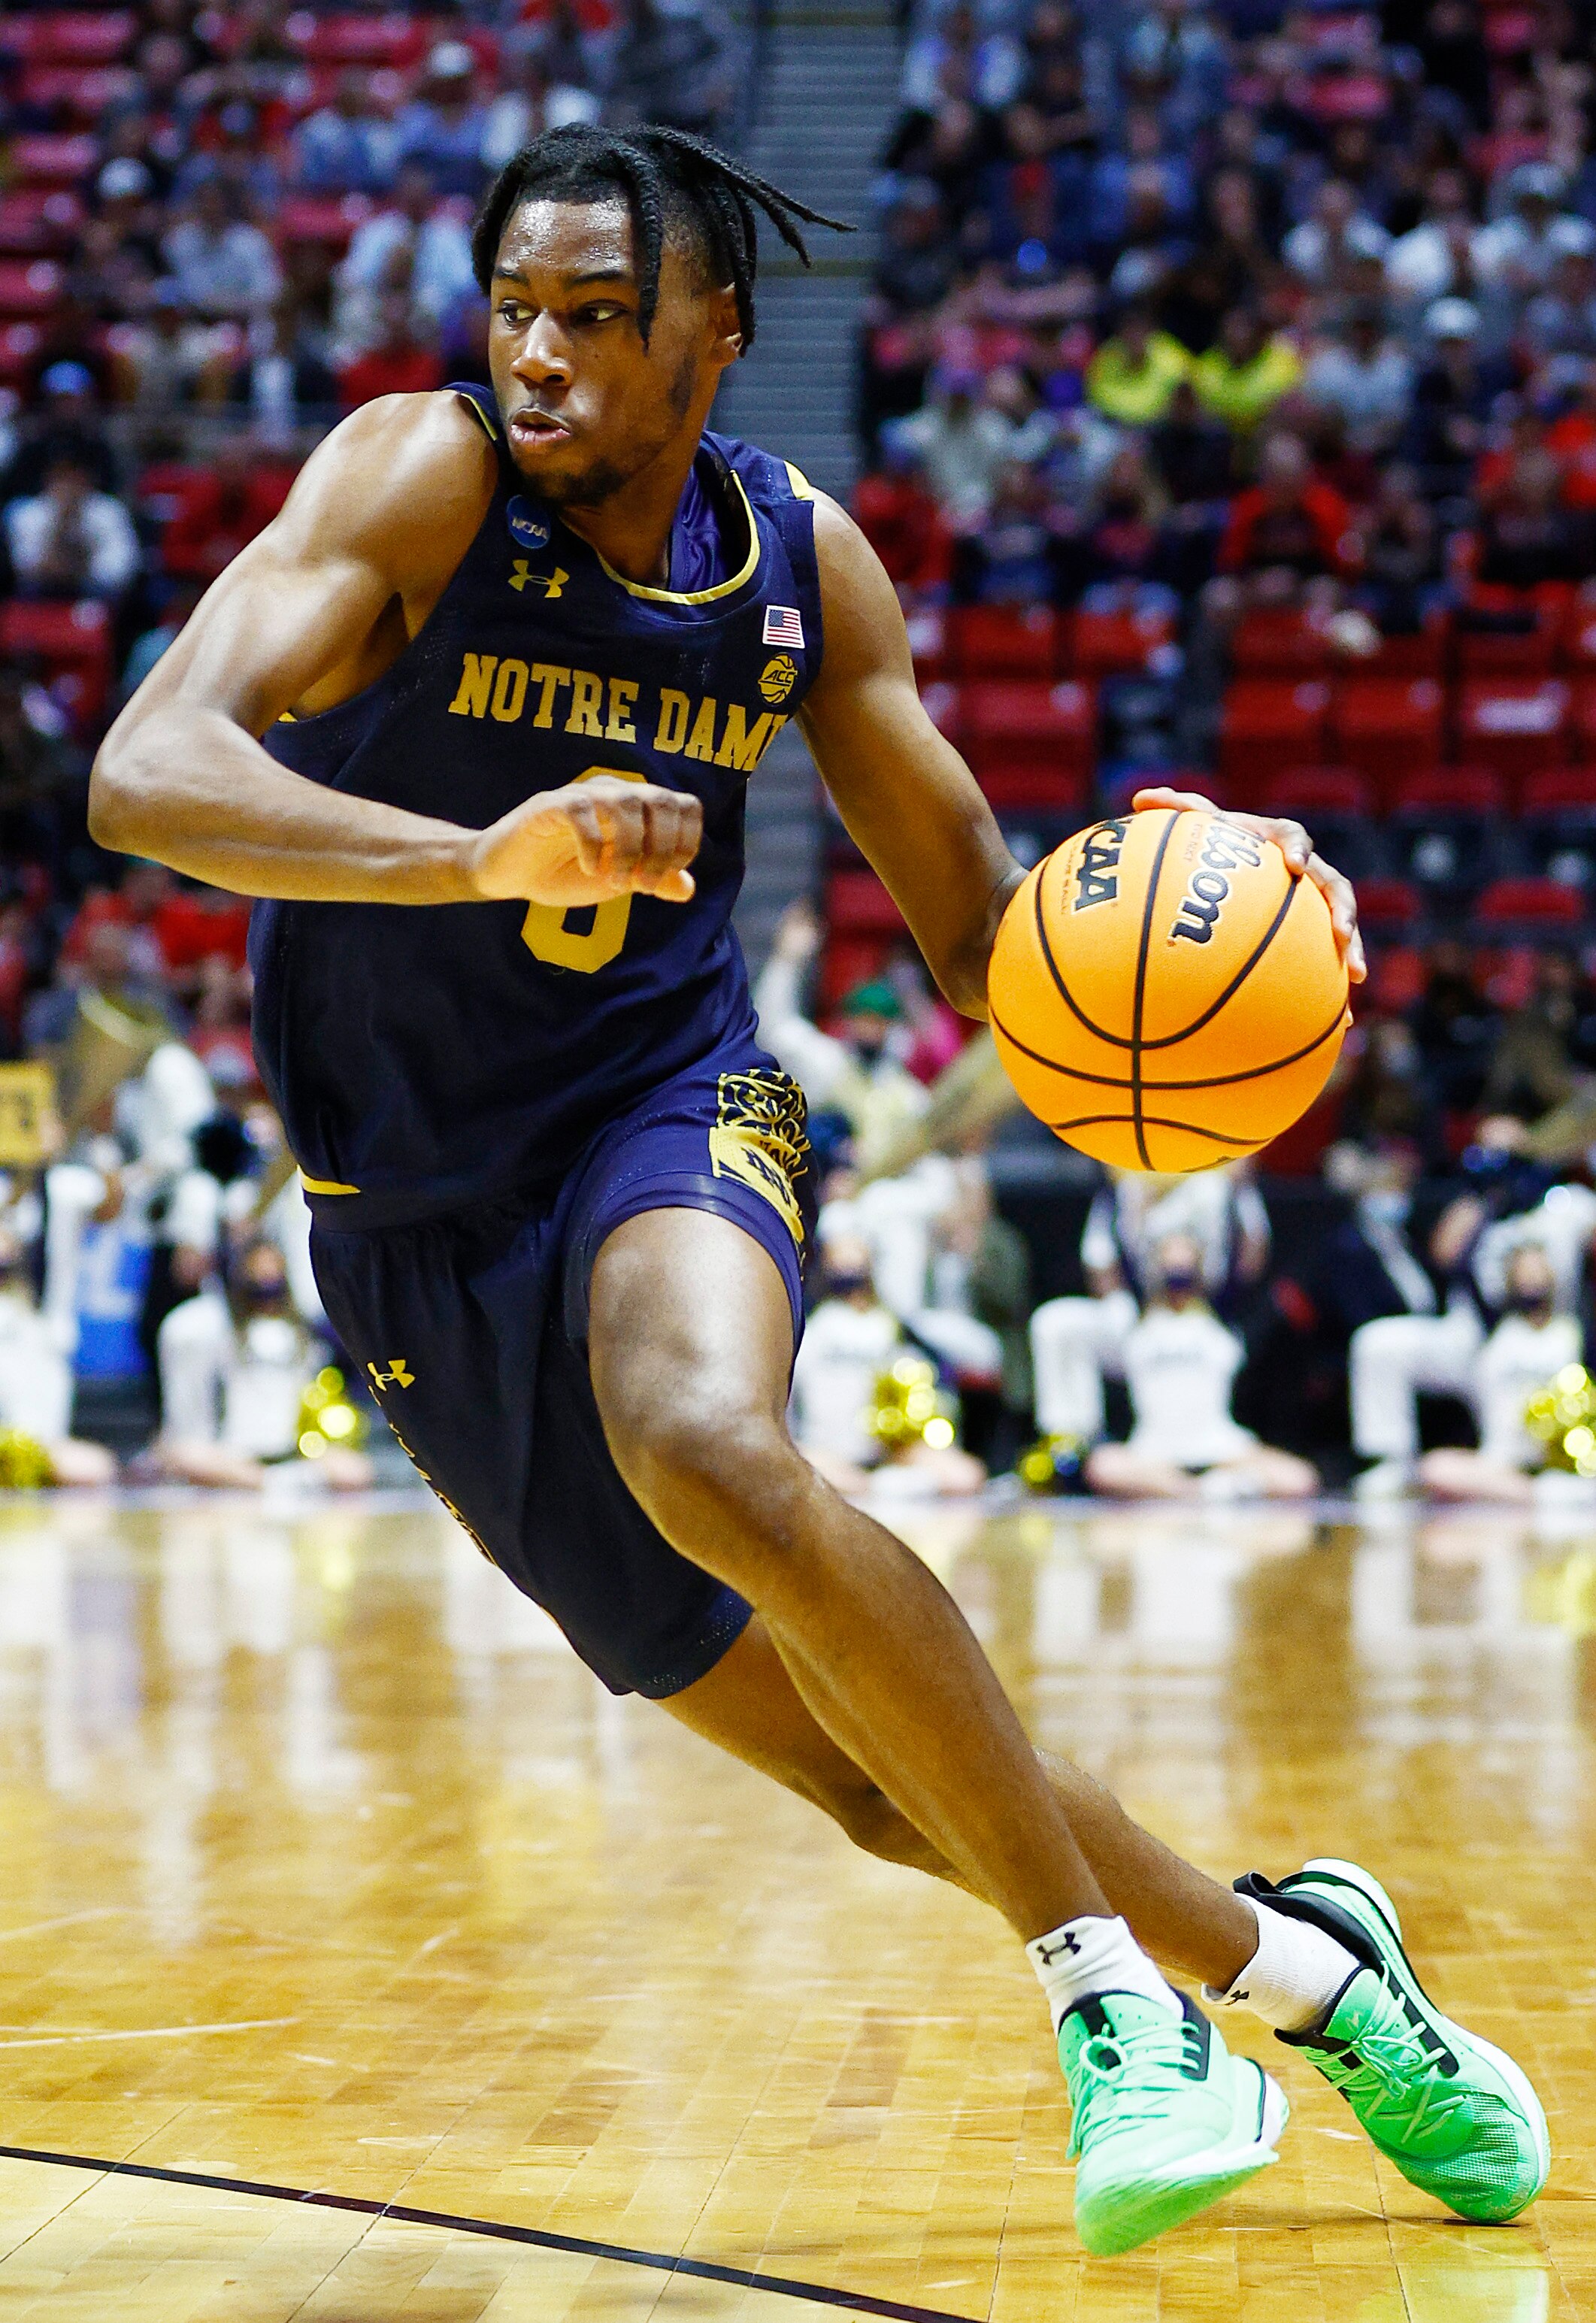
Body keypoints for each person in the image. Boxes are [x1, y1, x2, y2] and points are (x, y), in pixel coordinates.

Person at [89, 121, 1543, 2260]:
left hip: (666, 1101)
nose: (544, 362)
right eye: (516, 313)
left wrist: (1217, 897)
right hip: (402, 1222)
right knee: (879, 1788)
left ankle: (1109, 2015)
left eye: (598, 318)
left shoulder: (798, 571)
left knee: (703, 1433)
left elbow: (985, 948)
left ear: (713, 339)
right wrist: (466, 855)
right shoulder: (420, 478)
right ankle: (1305, 1971)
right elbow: (151, 767)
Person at [1084, 1234, 1319, 1502]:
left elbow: (1248, 1263)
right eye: (1170, 1270)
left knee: (1299, 1478)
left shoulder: (1222, 1326)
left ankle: (1207, 1487)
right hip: (1153, 1453)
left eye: (1185, 1269)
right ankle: (1198, 1491)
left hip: (1221, 1450)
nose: (1177, 1277)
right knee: (1102, 1467)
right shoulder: (1133, 1324)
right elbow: (1108, 1272)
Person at [1416, 1243, 1583, 1505]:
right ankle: (1532, 1495)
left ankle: (1546, 1493)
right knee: (1435, 1468)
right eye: (1524, 1269)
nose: (1532, 1276)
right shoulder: (1495, 1326)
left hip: (1557, 1462)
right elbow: (1461, 1268)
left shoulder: (1573, 1330)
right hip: (1500, 1462)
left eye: (1538, 1268)